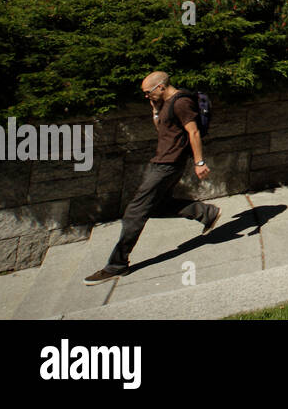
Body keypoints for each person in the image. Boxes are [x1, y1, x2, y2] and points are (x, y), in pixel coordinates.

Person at [84, 71, 220, 285]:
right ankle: (205, 213)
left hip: (168, 165)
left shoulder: (181, 102)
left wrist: (199, 162)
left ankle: (117, 265)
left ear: (161, 87)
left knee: (134, 213)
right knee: (157, 206)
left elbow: (192, 133)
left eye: (148, 93)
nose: (147, 96)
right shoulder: (166, 103)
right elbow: (163, 130)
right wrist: (155, 111)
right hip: (162, 161)